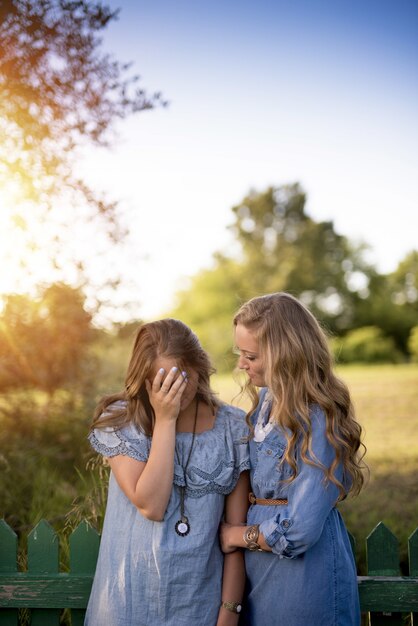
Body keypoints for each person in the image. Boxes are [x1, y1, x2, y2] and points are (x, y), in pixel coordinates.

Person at [84, 318, 250, 626]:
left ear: (199, 367)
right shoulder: (122, 422)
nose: (175, 390)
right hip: (128, 606)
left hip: (198, 607)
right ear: (144, 380)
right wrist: (165, 420)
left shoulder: (233, 428)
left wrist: (229, 612)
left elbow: (234, 532)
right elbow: (152, 505)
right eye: (162, 381)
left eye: (181, 377)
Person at [220, 292, 366, 626]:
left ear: (285, 355)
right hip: (261, 575)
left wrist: (235, 535)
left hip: (303, 580)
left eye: (251, 356)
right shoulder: (267, 402)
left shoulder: (318, 418)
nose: (241, 364)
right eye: (239, 352)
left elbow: (300, 528)